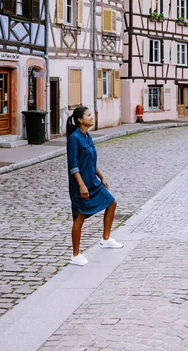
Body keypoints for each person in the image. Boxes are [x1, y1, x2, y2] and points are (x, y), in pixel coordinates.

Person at [66, 106, 123, 266]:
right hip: (81, 185)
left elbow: (91, 161)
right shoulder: (74, 139)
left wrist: (102, 177)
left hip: (93, 182)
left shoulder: (88, 137)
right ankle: (75, 255)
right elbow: (73, 166)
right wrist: (81, 185)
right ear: (80, 120)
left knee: (111, 202)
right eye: (89, 115)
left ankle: (105, 239)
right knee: (80, 217)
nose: (92, 117)